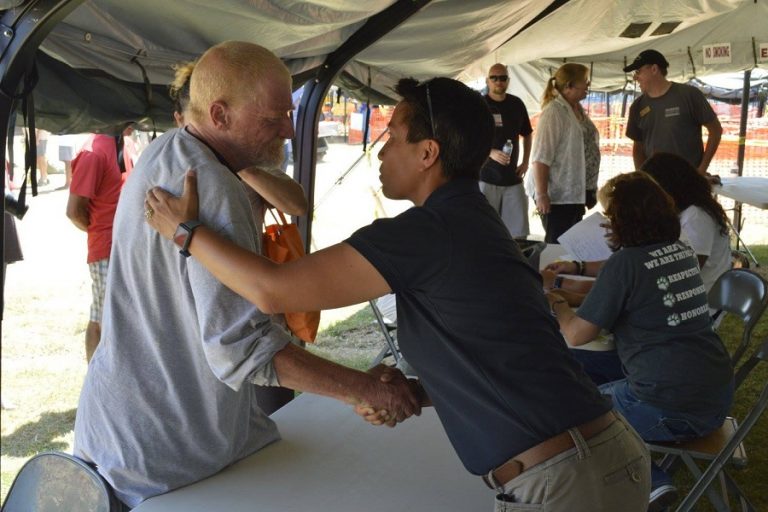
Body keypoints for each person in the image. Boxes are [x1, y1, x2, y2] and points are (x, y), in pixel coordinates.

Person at [146, 76, 651, 512]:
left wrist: (186, 233)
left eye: (392, 138)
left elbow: (272, 290)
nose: (382, 152)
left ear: (428, 153)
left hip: (565, 478)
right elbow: (506, 356)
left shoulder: (426, 231)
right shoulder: (474, 220)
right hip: (588, 458)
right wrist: (410, 390)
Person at [73, 41, 420, 509]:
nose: (289, 130)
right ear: (219, 115)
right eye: (273, 118)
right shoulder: (211, 186)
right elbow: (243, 348)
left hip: (120, 432)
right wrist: (361, 389)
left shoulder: (164, 151)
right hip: (171, 457)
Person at [545, 172, 733, 512]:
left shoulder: (626, 264)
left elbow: (575, 334)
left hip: (671, 406)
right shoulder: (680, 251)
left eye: (610, 218)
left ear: (623, 221)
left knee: (572, 410)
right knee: (576, 370)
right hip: (713, 395)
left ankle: (653, 482)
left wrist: (556, 303)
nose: (606, 226)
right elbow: (626, 291)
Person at [170, 57, 308, 414]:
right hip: (201, 315)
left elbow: (296, 204)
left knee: (273, 409)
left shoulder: (246, 162)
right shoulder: (171, 168)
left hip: (256, 298)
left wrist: (238, 165)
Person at [526, 63, 600, 243]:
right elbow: (541, 157)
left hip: (574, 193)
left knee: (572, 246)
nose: (588, 86)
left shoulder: (575, 108)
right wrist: (542, 194)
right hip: (558, 196)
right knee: (558, 246)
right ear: (569, 86)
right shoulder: (554, 112)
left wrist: (589, 189)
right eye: (585, 82)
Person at [65, 133, 123, 362]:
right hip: (105, 250)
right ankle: (95, 386)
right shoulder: (94, 151)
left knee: (115, 318)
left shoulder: (121, 144)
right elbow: (74, 211)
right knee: (101, 321)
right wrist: (100, 232)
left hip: (121, 248)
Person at [641, 152, 731, 292]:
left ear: (667, 187)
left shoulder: (696, 216)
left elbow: (687, 273)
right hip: (686, 295)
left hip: (700, 303)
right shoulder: (684, 211)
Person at [624, 49, 722, 175]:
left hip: (688, 180)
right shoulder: (637, 106)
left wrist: (701, 170)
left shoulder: (689, 95)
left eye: (638, 71)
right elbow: (638, 148)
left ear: (654, 69)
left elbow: (716, 130)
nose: (635, 77)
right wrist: (643, 178)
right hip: (656, 183)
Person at [478, 63, 533, 237]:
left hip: (513, 178)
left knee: (518, 234)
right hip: (486, 177)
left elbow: (527, 134)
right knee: (484, 230)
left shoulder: (516, 104)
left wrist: (525, 162)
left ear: (508, 81)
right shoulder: (480, 104)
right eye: (494, 78)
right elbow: (469, 137)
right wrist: (490, 152)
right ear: (487, 80)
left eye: (502, 78)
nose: (498, 81)